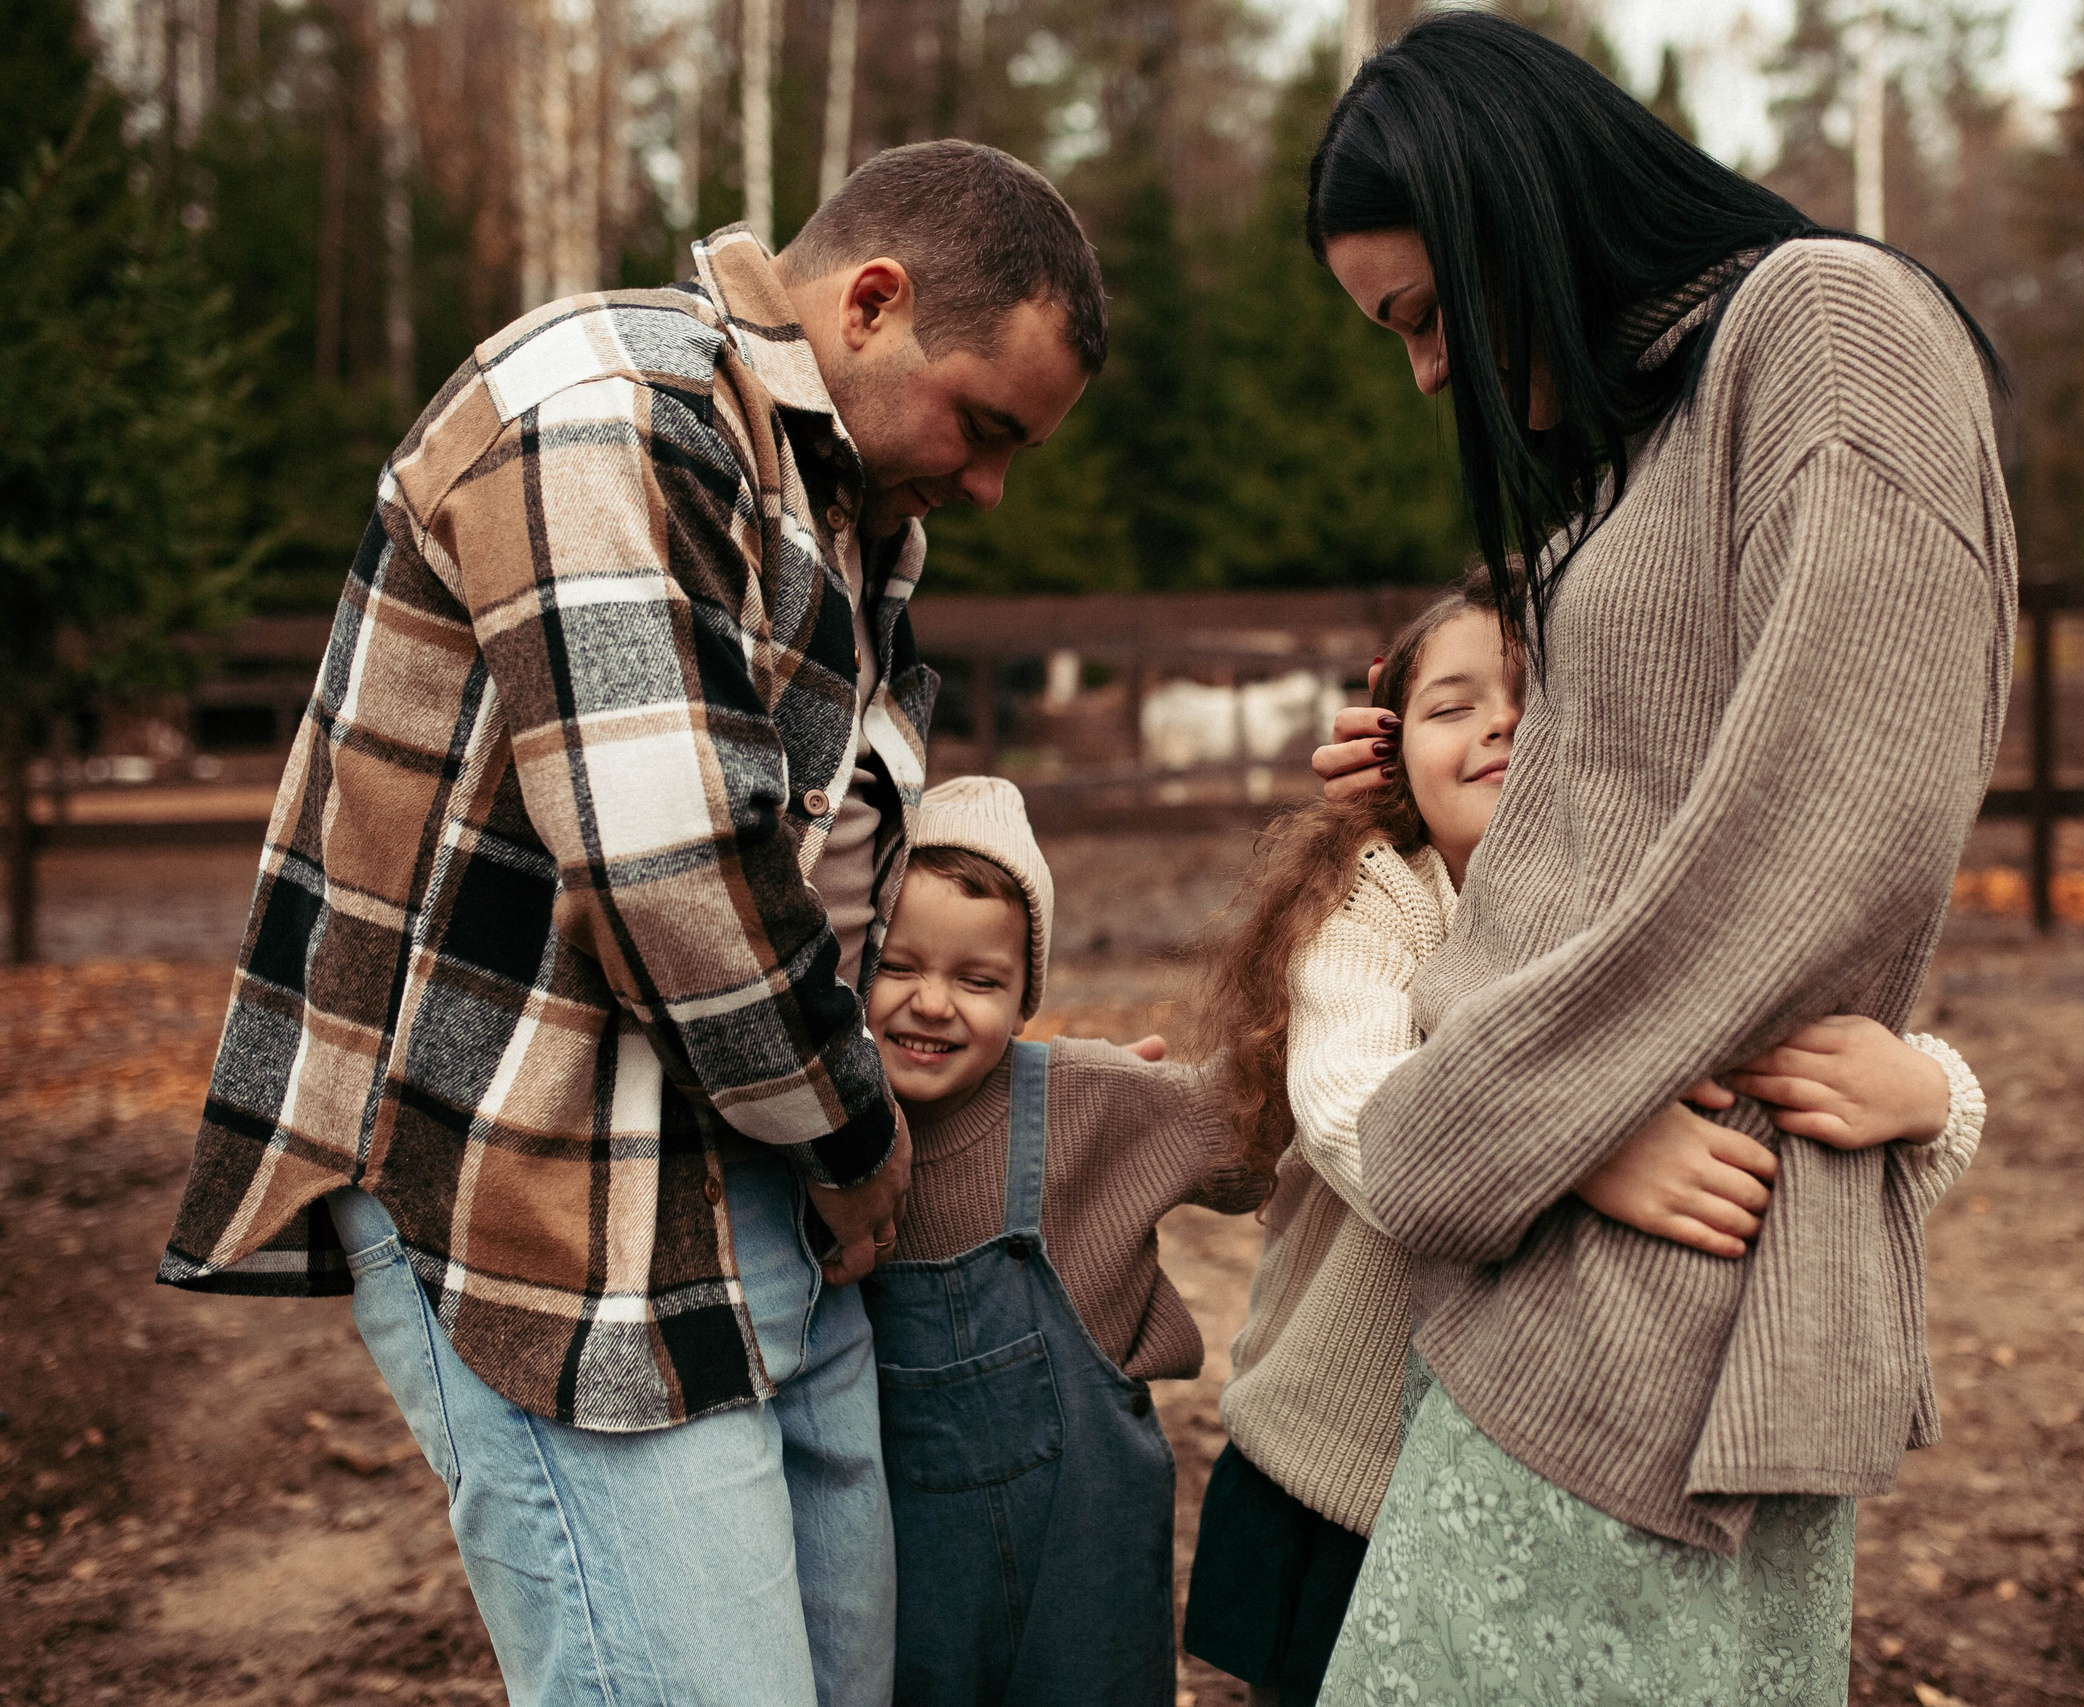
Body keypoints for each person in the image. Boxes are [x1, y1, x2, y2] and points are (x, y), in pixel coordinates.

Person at [154, 141, 1107, 1707]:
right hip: (530, 1176)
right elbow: (680, 874)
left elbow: (831, 852)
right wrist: (862, 1142)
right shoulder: (603, 409)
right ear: (871, 303)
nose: (994, 482)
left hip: (756, 1171)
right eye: (988, 425)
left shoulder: (846, 505)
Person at [1300, 13, 2019, 1702]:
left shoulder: (1826, 328)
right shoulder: (1644, 436)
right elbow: (1621, 812)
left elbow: (1832, 817)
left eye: (1420, 318)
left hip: (1660, 1281)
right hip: (1554, 1245)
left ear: (1513, 219)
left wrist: (1506, 1120)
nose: (1422, 374)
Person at [1181, 571, 1986, 1707]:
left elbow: (1803, 1147)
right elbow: (1353, 1102)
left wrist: (1931, 1095)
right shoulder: (1381, 905)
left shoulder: (1649, 926)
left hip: (1542, 1472)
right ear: (1387, 752)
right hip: (1346, 1464)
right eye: (1450, 707)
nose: (1498, 723)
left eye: (1531, 695)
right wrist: (1578, 1146)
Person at [857, 775, 1271, 1706]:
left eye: (979, 980)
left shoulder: (1083, 1097)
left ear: (1026, 992)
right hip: (906, 1582)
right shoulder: (822, 1129)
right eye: (898, 964)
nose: (933, 1003)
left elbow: (1252, 1139)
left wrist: (1139, 1117)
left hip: (1088, 1567)